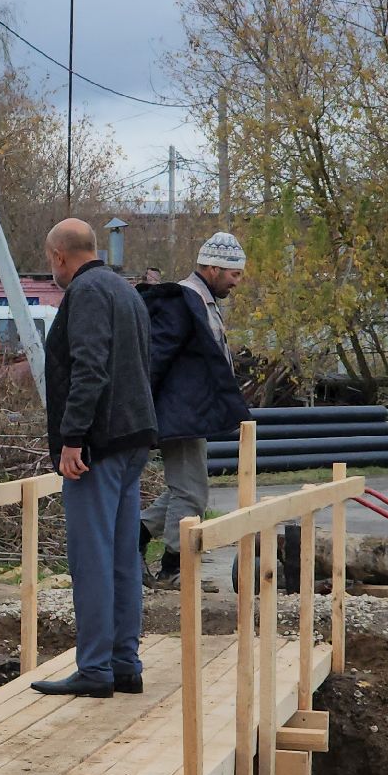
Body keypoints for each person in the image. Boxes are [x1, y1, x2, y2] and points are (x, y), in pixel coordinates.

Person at [32, 220, 157, 698]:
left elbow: (90, 369)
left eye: (50, 260)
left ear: (59, 256)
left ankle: (95, 668)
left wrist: (72, 438)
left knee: (92, 558)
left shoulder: (85, 293)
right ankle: (125, 663)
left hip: (97, 445)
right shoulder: (126, 292)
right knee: (124, 556)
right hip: (133, 438)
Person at [138, 232, 251, 590]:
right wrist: (142, 409)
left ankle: (134, 536)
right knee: (191, 494)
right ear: (213, 268)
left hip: (188, 415)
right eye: (233, 274)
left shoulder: (201, 300)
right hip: (178, 416)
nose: (237, 281)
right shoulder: (183, 300)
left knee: (186, 489)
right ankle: (175, 569)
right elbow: (155, 358)